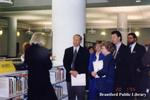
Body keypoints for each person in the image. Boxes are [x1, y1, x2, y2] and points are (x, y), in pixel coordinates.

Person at [25, 32, 57, 100]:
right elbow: (49, 66)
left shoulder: (28, 50)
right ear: (42, 40)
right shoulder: (44, 50)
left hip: (32, 79)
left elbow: (26, 62)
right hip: (43, 79)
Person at [63, 34, 89, 100]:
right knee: (71, 97)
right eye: (74, 39)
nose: (75, 41)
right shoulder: (67, 50)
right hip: (69, 77)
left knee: (81, 97)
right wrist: (71, 71)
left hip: (80, 77)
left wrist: (77, 72)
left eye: (77, 40)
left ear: (80, 41)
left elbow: (86, 64)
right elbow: (65, 63)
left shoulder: (85, 51)